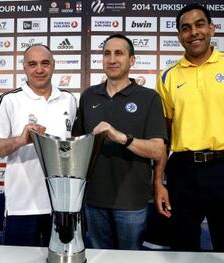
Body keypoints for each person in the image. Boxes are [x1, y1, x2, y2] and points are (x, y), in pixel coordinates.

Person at [155, 3, 224, 252]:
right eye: (185, 28)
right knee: (182, 250)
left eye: (199, 25)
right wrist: (159, 182)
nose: (193, 32)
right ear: (179, 36)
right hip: (181, 171)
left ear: (211, 28)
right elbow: (162, 138)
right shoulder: (167, 77)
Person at [72, 34, 168, 250]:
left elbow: (157, 150)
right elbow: (78, 145)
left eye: (119, 53)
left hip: (132, 202)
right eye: (107, 53)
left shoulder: (149, 98)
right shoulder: (89, 96)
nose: (112, 59)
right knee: (99, 262)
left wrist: (121, 137)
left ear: (132, 60)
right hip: (93, 200)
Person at [0, 44, 77, 246]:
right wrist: (20, 140)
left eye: (45, 63)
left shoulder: (68, 100)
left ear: (53, 65)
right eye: (32, 64)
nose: (39, 69)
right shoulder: (9, 100)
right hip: (22, 206)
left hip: (61, 205)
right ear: (24, 67)